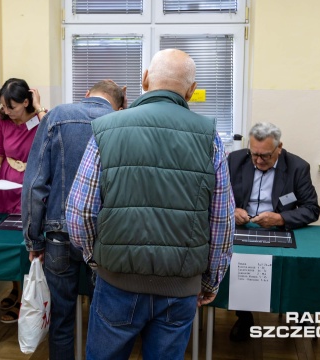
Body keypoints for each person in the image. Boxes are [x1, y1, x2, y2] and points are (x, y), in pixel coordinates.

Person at [66, 49, 235, 360]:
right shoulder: (209, 137)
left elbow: (79, 213)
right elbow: (222, 221)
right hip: (180, 287)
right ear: (192, 90)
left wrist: (98, 261)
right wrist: (211, 279)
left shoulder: (107, 130)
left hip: (116, 282)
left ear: (144, 79)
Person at [22, 80, 126, 359]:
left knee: (61, 319)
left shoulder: (57, 116)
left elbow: (34, 184)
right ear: (121, 101)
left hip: (59, 235)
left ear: (86, 95)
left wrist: (33, 239)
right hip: (105, 239)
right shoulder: (122, 122)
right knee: (104, 319)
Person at [227, 121, 320, 342]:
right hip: (242, 227)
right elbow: (215, 196)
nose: (258, 161)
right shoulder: (234, 160)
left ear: (279, 148)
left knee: (295, 263)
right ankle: (244, 317)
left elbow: (312, 208)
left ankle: (297, 309)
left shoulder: (297, 167)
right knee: (240, 263)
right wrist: (232, 211)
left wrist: (280, 218)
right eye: (254, 155)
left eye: (265, 156)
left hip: (279, 229)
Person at [0, 78, 44, 323]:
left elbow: (55, 138)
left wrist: (39, 109)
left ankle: (29, 298)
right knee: (8, 239)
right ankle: (16, 290)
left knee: (29, 241)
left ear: (27, 101)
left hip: (32, 184)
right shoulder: (3, 118)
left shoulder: (41, 118)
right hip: (6, 182)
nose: (7, 112)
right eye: (4, 107)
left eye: (12, 107)